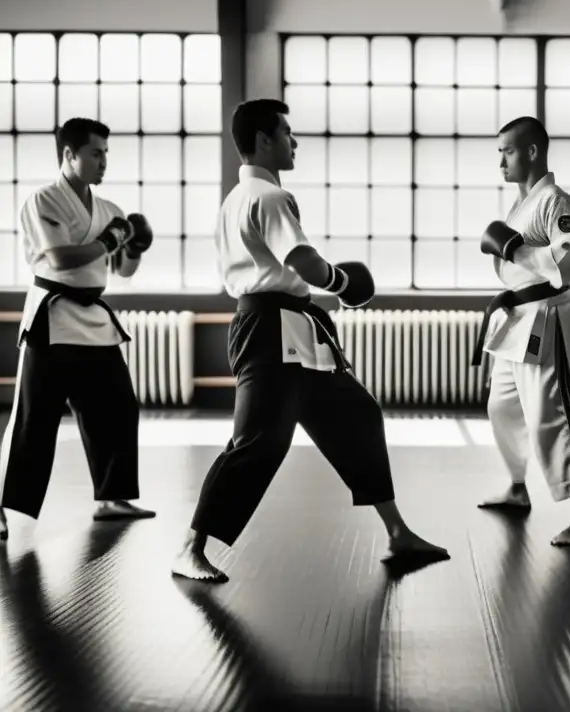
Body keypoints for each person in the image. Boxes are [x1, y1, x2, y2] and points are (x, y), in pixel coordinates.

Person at [170, 99, 448, 583]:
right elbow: (303, 260)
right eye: (286, 133)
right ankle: (189, 548)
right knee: (258, 443)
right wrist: (342, 282)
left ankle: (397, 531)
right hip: (269, 329)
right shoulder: (270, 197)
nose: (293, 142)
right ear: (263, 139)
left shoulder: (237, 199)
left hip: (286, 327)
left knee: (358, 415)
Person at [0, 118, 157, 542]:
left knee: (118, 408)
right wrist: (111, 240)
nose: (103, 161)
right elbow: (60, 259)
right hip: (52, 320)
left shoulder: (109, 211)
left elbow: (121, 271)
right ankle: (3, 505)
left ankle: (113, 497)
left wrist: (136, 246)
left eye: (106, 153)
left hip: (93, 322)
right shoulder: (43, 200)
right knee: (35, 421)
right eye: (95, 153)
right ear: (69, 155)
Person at [471, 116, 570, 547]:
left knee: (554, 417)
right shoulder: (523, 204)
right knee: (502, 408)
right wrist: (512, 248)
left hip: (550, 320)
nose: (500, 162)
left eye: (506, 151)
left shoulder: (556, 203)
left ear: (530, 151)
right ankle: (517, 485)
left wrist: (514, 247)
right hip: (517, 322)